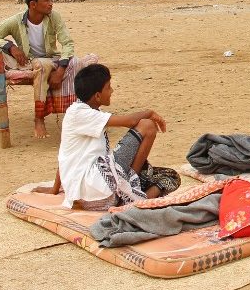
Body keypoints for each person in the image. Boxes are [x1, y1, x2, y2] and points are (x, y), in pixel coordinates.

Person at [34, 63, 171, 209]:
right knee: (148, 126)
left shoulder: (82, 111)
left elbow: (66, 155)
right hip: (96, 188)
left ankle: (131, 192)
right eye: (108, 87)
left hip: (96, 189)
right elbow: (131, 121)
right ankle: (130, 192)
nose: (112, 91)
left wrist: (55, 189)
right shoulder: (80, 113)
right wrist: (150, 113)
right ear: (97, 96)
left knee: (169, 176)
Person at [0, 0, 77, 138]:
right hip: (31, 62)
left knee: (77, 62)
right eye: (47, 0)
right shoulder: (17, 21)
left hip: (52, 59)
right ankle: (39, 118)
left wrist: (61, 69)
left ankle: (75, 115)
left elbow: (68, 43)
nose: (51, 3)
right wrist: (10, 46)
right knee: (41, 65)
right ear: (33, 4)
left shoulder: (54, 17)